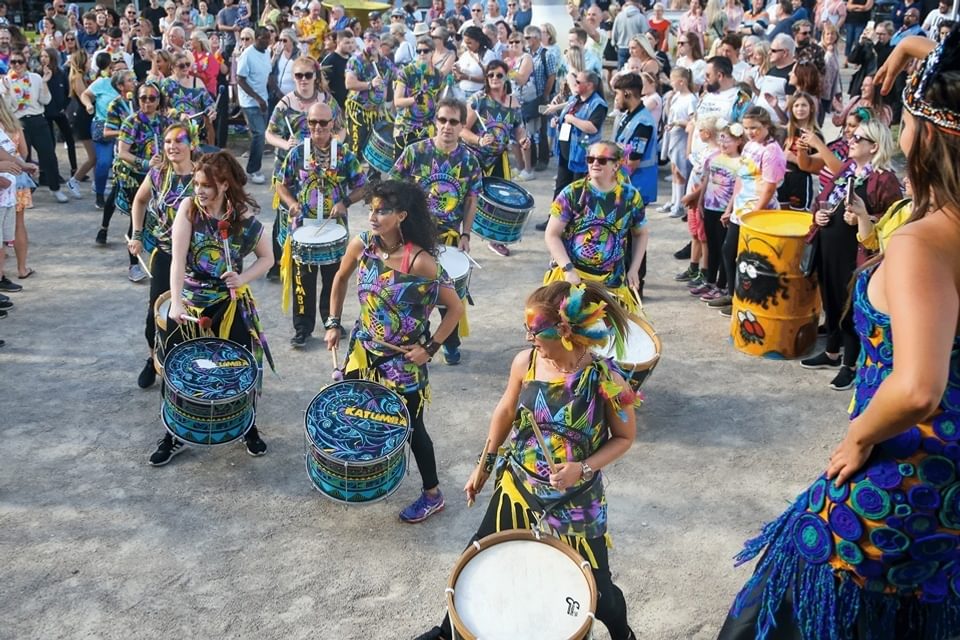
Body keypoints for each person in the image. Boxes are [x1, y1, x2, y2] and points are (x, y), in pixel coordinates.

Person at [718, 30, 960, 639]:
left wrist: (858, 436)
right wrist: (907, 54)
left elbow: (918, 389)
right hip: (952, 492)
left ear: (925, 133)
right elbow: (926, 44)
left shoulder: (922, 242)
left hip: (902, 472)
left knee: (773, 616)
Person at [415, 280, 639, 640]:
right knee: (478, 560)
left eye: (536, 332)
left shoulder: (606, 378)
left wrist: (581, 469)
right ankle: (446, 632)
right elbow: (505, 411)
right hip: (519, 485)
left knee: (598, 588)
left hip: (577, 499)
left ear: (565, 331)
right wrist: (484, 466)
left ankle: (622, 634)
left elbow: (626, 438)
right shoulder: (527, 362)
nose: (529, 339)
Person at [324, 179, 464, 523]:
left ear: (401, 215)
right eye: (371, 208)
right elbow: (340, 278)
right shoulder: (363, 245)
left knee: (412, 425)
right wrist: (332, 321)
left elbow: (455, 308)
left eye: (383, 210)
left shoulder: (420, 261)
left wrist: (430, 348)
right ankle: (363, 475)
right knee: (355, 411)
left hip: (402, 361)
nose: (374, 216)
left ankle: (432, 494)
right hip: (363, 349)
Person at [150, 150, 274, 466]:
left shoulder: (241, 217)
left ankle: (247, 427)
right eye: (196, 183)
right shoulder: (189, 209)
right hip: (192, 303)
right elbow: (177, 260)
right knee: (182, 372)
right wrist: (176, 301)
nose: (199, 191)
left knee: (238, 370)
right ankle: (174, 434)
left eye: (206, 185)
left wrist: (241, 277)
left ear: (223, 184)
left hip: (230, 306)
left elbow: (267, 258)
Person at [800, 118, 902, 390]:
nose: (851, 141)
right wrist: (818, 214)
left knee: (850, 304)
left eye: (858, 139)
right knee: (831, 299)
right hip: (828, 246)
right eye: (852, 137)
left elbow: (896, 217)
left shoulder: (884, 178)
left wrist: (864, 217)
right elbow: (824, 198)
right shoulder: (847, 169)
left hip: (855, 254)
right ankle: (832, 352)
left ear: (875, 146)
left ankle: (850, 364)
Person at [390, 98, 482, 366]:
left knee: (448, 295)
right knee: (412, 294)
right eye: (442, 120)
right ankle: (416, 342)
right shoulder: (414, 152)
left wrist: (466, 235)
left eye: (454, 121)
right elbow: (392, 190)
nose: (447, 126)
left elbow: (471, 200)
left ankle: (449, 341)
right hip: (413, 238)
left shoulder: (469, 160)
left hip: (449, 239)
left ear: (462, 125)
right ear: (435, 121)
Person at [277, 102, 367, 348]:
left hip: (334, 228)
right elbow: (281, 184)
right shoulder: (296, 153)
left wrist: (345, 201)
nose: (318, 127)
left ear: (333, 124)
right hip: (302, 229)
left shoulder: (344, 155)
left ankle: (331, 322)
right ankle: (302, 329)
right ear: (307, 124)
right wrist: (292, 202)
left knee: (334, 278)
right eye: (313, 122)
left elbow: (362, 185)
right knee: (302, 281)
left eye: (323, 123)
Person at [544, 140, 648, 314]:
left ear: (616, 165)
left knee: (608, 335)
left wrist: (634, 269)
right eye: (590, 159)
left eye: (601, 160)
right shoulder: (572, 193)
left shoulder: (630, 196)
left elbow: (641, 233)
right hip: (572, 279)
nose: (594, 164)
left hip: (612, 283)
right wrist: (568, 269)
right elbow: (551, 234)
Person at [129, 122, 196, 389]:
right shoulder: (158, 174)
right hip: (165, 254)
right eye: (168, 141)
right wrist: (136, 234)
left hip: (195, 260)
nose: (172, 146)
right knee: (155, 314)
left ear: (191, 144)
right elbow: (140, 200)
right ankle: (153, 359)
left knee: (190, 314)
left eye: (179, 141)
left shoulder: (202, 175)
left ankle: (187, 366)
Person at [715, 107, 786, 315]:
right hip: (741, 209)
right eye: (746, 128)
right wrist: (730, 207)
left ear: (766, 126)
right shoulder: (748, 147)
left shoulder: (771, 151)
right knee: (729, 251)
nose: (750, 132)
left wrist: (756, 213)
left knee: (751, 259)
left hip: (759, 212)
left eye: (755, 128)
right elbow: (741, 177)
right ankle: (733, 293)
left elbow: (770, 186)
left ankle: (746, 299)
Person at [461, 59, 529, 257]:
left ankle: (496, 240)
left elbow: (518, 128)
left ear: (506, 77)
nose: (494, 79)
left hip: (499, 156)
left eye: (499, 75)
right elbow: (461, 129)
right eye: (490, 75)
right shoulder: (478, 99)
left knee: (502, 200)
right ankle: (458, 237)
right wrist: (478, 139)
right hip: (474, 156)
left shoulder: (512, 101)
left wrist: (523, 139)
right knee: (467, 197)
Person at [265, 56, 324, 279]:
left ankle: (309, 258)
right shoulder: (285, 104)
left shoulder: (325, 100)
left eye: (308, 75)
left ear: (315, 77)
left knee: (314, 210)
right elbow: (269, 134)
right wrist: (284, 143)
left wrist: (329, 143)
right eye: (299, 75)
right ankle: (277, 262)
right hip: (287, 169)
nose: (303, 80)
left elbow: (340, 129)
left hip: (317, 168)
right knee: (284, 213)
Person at [0, 50, 72, 203]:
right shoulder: (5, 81)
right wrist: (6, 91)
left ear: (25, 62)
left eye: (20, 61)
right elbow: (6, 108)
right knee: (22, 157)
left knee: (49, 155)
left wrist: (45, 82)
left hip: (37, 120)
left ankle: (55, 188)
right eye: (13, 62)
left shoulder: (35, 78)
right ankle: (25, 193)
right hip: (17, 122)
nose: (17, 65)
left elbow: (46, 100)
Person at [344, 29, 394, 160]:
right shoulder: (356, 60)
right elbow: (349, 83)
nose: (371, 43)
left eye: (374, 40)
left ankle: (374, 178)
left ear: (380, 42)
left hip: (378, 113)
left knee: (376, 150)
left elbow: (394, 79)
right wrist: (369, 84)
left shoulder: (385, 62)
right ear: (363, 41)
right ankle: (355, 178)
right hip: (359, 112)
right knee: (357, 148)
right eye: (368, 40)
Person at [392, 37, 447, 159]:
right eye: (419, 51)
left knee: (424, 169)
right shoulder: (406, 72)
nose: (422, 54)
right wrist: (414, 100)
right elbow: (397, 102)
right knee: (401, 171)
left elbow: (439, 102)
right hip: (406, 127)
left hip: (427, 129)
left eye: (425, 51)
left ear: (433, 52)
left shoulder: (438, 75)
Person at [237, 26, 272, 185]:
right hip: (250, 102)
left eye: (268, 37)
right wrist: (257, 98)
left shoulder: (266, 53)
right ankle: (252, 170)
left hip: (263, 99)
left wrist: (277, 92)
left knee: (261, 135)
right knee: (259, 134)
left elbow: (268, 75)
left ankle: (254, 167)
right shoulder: (247, 55)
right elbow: (240, 79)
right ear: (257, 38)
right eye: (264, 38)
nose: (267, 41)